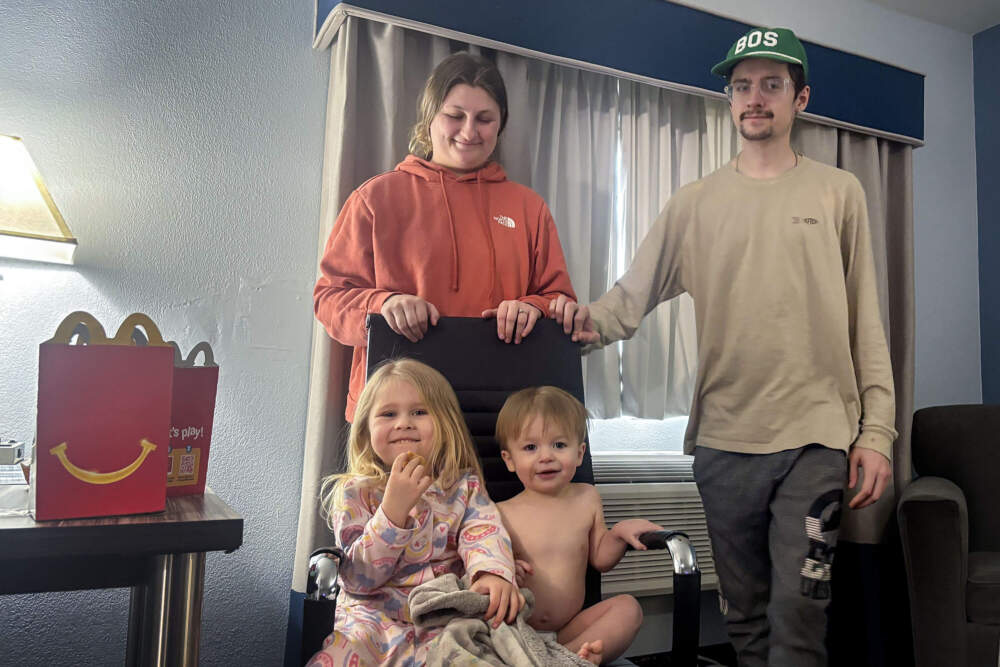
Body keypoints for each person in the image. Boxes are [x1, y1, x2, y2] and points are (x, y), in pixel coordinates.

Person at [550, 27, 896, 667]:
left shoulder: (838, 192)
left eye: (771, 85)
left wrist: (877, 433)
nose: (755, 98)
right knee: (746, 620)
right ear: (730, 101)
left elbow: (865, 323)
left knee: (801, 613)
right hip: (725, 442)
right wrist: (553, 328)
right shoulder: (694, 205)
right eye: (742, 87)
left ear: (801, 99)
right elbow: (623, 307)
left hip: (817, 438)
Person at [314, 52, 577, 421]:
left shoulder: (528, 207)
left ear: (500, 126)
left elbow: (560, 302)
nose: (469, 131)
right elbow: (329, 300)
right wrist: (383, 304)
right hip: (398, 418)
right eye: (455, 116)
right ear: (429, 118)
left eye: (485, 119)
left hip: (502, 416)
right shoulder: (374, 199)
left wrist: (532, 307)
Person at [308, 358, 523, 667]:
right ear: (366, 431)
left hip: (444, 614)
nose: (404, 423)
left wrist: (492, 572)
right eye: (388, 414)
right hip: (371, 621)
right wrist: (392, 511)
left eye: (419, 412)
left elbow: (484, 534)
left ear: (446, 424)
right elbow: (358, 579)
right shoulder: (356, 491)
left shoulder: (462, 488)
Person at [495, 386, 662, 665]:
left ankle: (565, 659)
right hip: (516, 633)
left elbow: (600, 558)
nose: (546, 456)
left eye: (559, 445)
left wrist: (619, 533)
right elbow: (484, 569)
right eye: (531, 447)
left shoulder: (586, 497)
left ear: (580, 452)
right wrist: (507, 571)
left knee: (629, 608)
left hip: (568, 631)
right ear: (509, 460)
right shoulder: (501, 512)